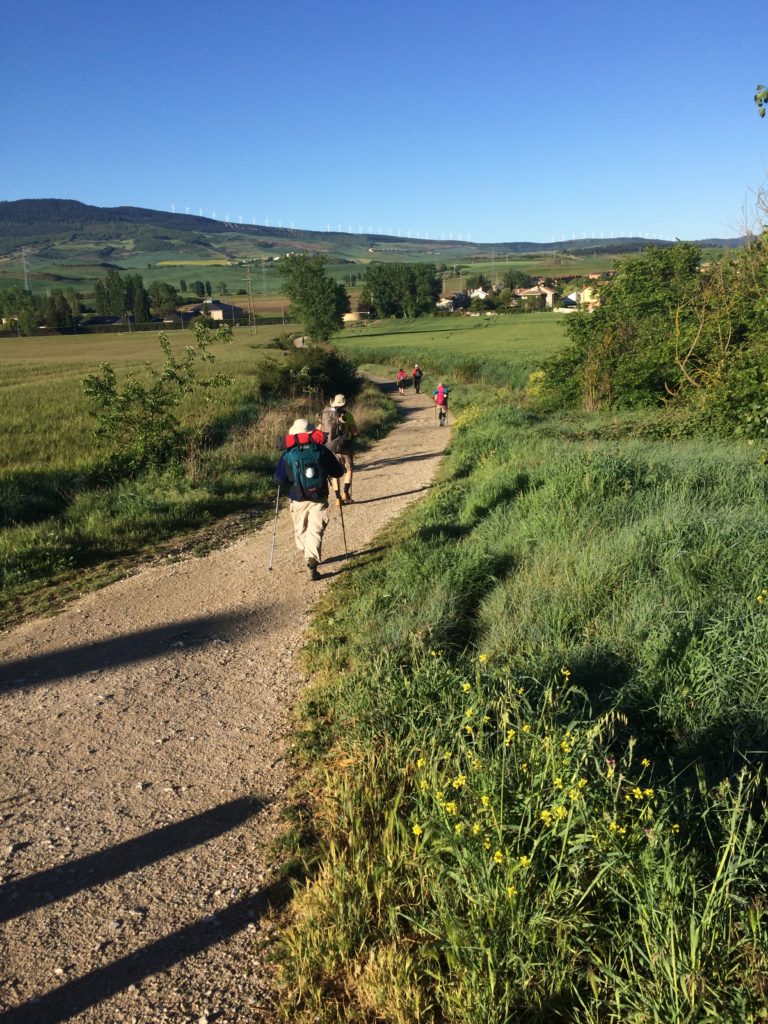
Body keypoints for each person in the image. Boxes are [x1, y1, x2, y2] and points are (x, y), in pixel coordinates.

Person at [274, 418, 344, 580]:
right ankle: (311, 558)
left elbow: (279, 479)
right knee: (316, 528)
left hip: (297, 497)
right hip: (319, 495)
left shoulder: (288, 454)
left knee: (301, 529)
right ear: (311, 433)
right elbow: (337, 472)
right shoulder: (320, 449)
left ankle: (308, 553)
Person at [319, 393, 359, 506]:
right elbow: (355, 432)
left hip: (330, 447)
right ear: (344, 404)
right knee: (349, 469)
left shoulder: (325, 415)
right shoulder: (348, 415)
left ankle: (337, 498)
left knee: (334, 473)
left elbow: (320, 430)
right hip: (345, 446)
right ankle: (346, 493)